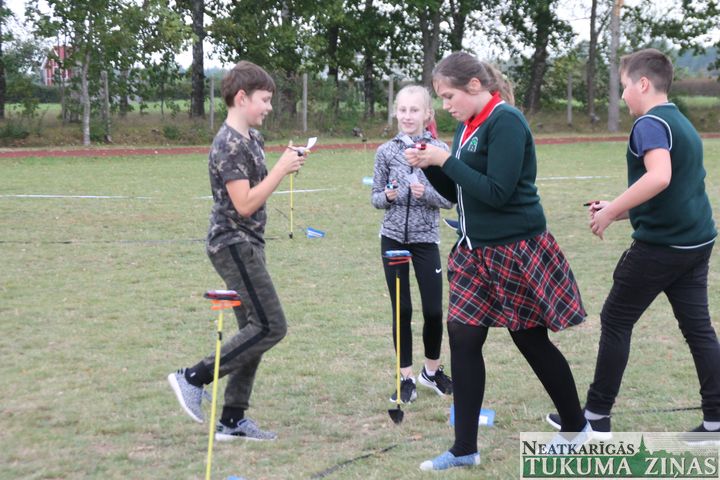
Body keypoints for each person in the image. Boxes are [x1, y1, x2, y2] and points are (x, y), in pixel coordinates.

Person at [405, 51, 589, 472]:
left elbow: (498, 193)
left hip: (515, 249)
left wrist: (445, 160)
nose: (445, 106)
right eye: (441, 98)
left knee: (531, 341)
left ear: (474, 86)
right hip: (473, 252)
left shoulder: (506, 121)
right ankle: (464, 449)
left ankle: (576, 428)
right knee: (463, 338)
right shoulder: (466, 125)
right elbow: (457, 192)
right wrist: (429, 165)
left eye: (449, 96)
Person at [546, 48, 720, 440]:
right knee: (698, 330)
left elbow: (659, 177)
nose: (622, 95)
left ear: (642, 84)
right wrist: (619, 208)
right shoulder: (680, 121)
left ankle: (596, 417)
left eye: (624, 86)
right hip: (695, 243)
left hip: (662, 248)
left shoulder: (649, 123)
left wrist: (610, 213)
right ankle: (716, 422)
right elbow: (671, 190)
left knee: (616, 320)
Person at [167, 60, 305, 441]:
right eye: (265, 100)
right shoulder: (227, 144)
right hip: (232, 243)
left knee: (253, 330)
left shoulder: (252, 139)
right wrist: (279, 170)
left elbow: (257, 190)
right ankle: (193, 378)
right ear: (241, 98)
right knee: (271, 326)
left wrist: (287, 165)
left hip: (250, 243)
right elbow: (243, 204)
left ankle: (232, 419)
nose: (269, 107)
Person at [371, 85, 454, 404]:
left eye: (414, 110)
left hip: (426, 240)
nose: (407, 116)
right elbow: (375, 197)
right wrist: (388, 196)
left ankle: (431, 372)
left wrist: (427, 194)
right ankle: (405, 378)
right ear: (396, 112)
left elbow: (449, 199)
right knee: (402, 309)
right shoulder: (385, 152)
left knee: (433, 310)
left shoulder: (439, 150)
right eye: (403, 110)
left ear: (427, 114)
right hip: (392, 238)